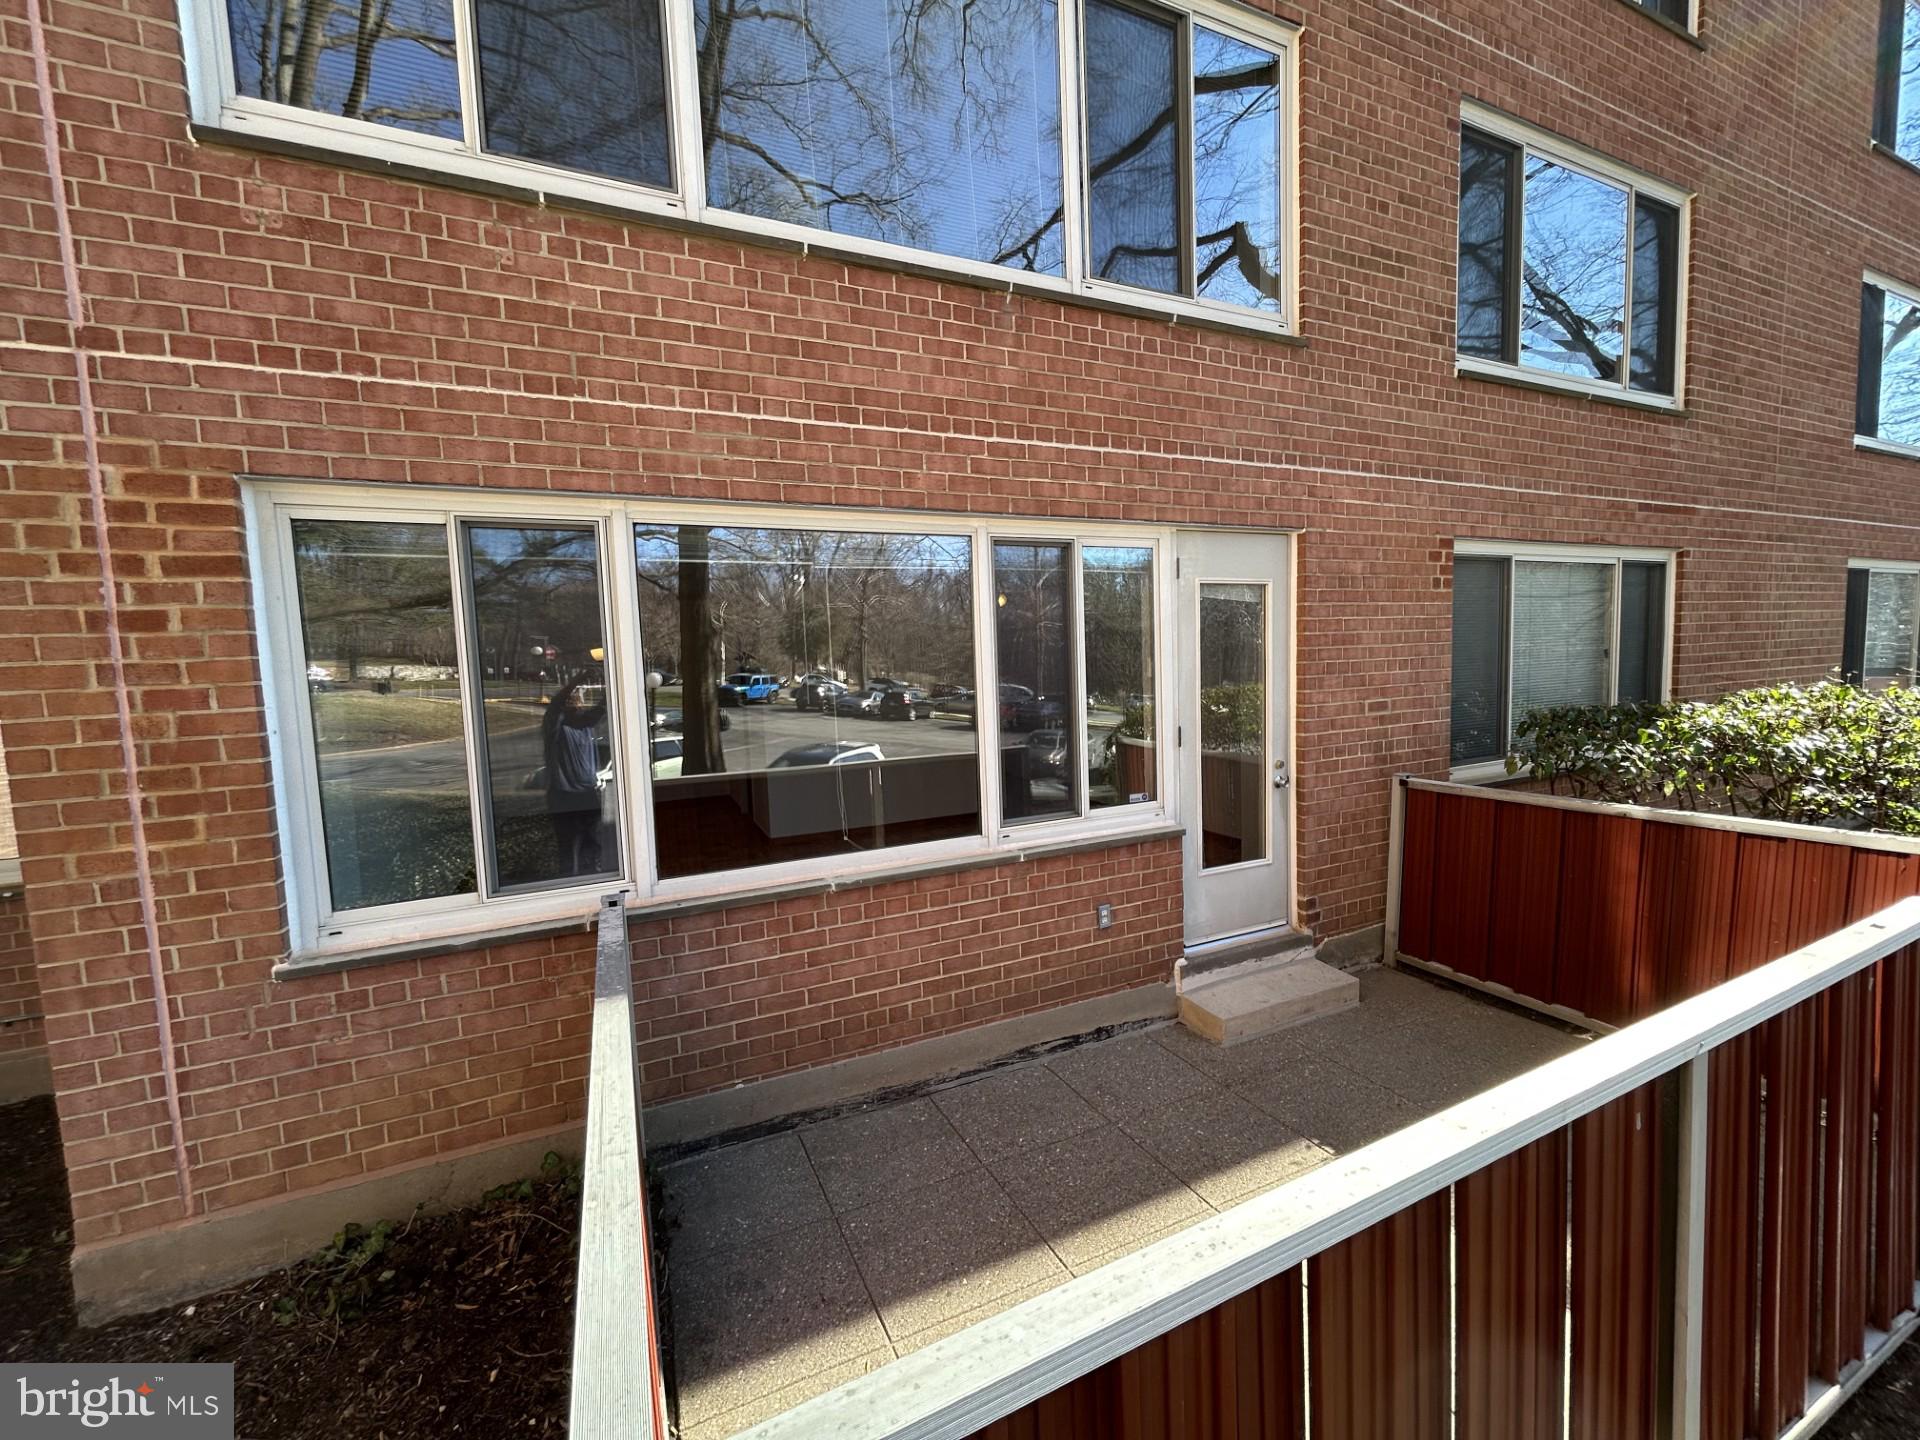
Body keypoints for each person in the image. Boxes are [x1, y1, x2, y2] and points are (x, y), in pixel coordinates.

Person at [542, 678, 608, 875]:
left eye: (579, 703)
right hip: (563, 796)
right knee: (567, 846)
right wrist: (577, 680)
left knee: (592, 842)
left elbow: (603, 707)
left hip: (587, 794)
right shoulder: (556, 728)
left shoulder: (585, 725)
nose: (578, 707)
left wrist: (610, 677)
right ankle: (569, 881)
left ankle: (593, 877)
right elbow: (555, 706)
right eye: (573, 704)